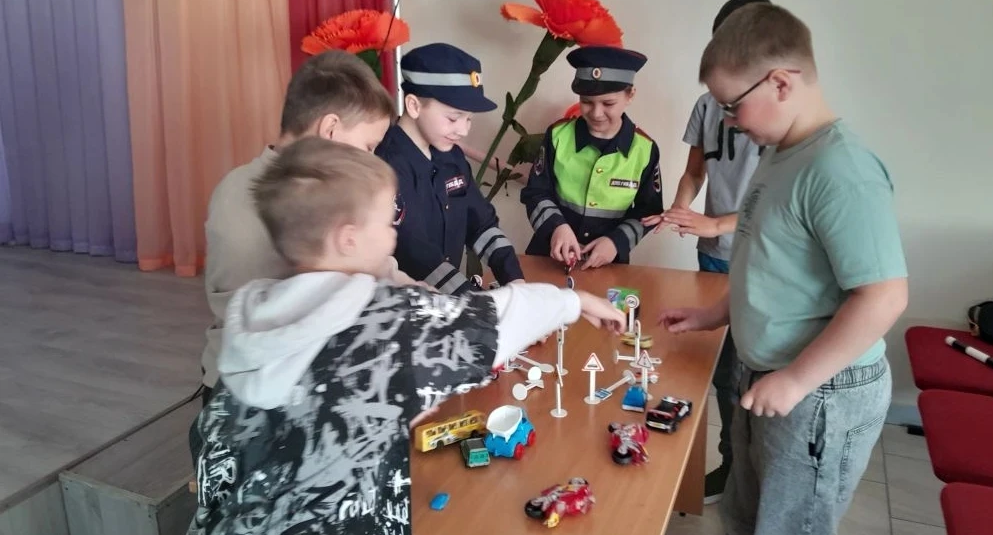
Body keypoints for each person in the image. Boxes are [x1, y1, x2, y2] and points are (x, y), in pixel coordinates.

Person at [187, 138, 626, 535]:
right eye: (386, 220)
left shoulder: (255, 316)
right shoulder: (380, 320)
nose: (395, 231)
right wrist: (573, 301)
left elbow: (229, 448)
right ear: (348, 238)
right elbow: (491, 321)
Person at [659, 3, 908, 535]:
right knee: (746, 525)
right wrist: (714, 314)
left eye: (733, 106)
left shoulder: (840, 169)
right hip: (768, 378)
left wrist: (796, 379)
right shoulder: (780, 153)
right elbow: (765, 260)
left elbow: (883, 296)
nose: (729, 122)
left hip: (819, 394)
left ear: (780, 83)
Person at [201, 50, 413, 406]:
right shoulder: (256, 202)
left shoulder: (315, 189)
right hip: (254, 394)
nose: (372, 160)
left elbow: (370, 266)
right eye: (369, 146)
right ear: (330, 130)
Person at [642, 0, 770, 504]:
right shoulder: (707, 106)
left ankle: (749, 472)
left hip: (760, 258)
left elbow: (778, 207)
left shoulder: (778, 117)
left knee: (749, 372)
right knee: (720, 371)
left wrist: (715, 222)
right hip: (714, 256)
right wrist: (680, 209)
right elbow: (695, 172)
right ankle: (730, 464)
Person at [375, 43, 524, 294]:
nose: (463, 130)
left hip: (453, 302)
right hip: (409, 304)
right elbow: (416, 252)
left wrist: (515, 281)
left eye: (469, 119)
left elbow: (481, 223)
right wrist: (475, 304)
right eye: (453, 118)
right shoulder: (386, 166)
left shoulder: (451, 156)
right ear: (414, 106)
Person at [521, 45, 663, 269]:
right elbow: (536, 192)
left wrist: (616, 242)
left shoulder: (644, 149)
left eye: (608, 103)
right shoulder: (558, 135)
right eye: (586, 101)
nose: (596, 113)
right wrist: (556, 227)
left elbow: (649, 212)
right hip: (549, 255)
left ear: (630, 95)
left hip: (607, 263)